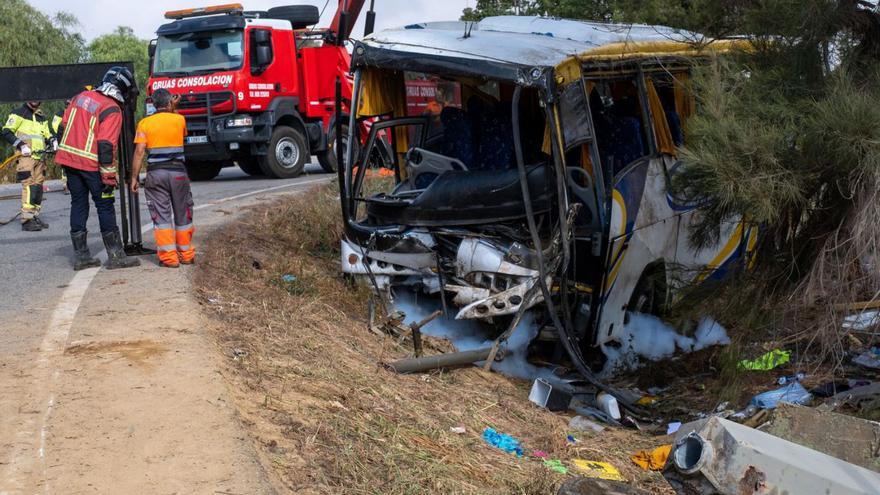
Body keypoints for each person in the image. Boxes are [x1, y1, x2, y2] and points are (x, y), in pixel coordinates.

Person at [55, 66, 141, 271]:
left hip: (69, 161)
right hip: (92, 165)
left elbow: (62, 127)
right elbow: (105, 144)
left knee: (78, 204)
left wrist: (65, 157)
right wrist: (109, 176)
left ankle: (81, 257)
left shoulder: (80, 97)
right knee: (105, 206)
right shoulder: (112, 108)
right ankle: (116, 256)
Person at [130, 88, 195, 268]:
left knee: (161, 216)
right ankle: (186, 255)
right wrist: (174, 109)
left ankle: (169, 258)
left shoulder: (144, 124)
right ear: (169, 103)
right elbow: (182, 134)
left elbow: (139, 151)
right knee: (183, 213)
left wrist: (134, 177)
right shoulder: (179, 119)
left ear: (152, 103)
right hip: (178, 174)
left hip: (156, 174)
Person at [1, 100, 53, 231]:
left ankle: (34, 216)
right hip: (25, 158)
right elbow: (6, 132)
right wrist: (21, 145)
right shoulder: (18, 113)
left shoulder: (42, 117)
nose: (35, 100)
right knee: (29, 186)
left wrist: (53, 140)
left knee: (38, 187)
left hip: (40, 158)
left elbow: (47, 134)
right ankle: (26, 220)